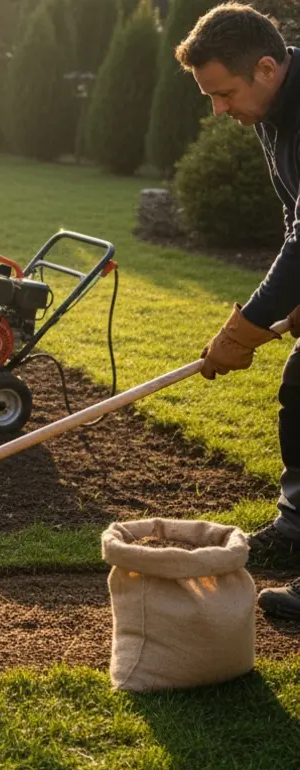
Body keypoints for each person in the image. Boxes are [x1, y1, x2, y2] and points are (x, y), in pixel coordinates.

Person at [179, 4, 300, 618]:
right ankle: (298, 525)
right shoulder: (273, 112)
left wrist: (244, 330)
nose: (218, 110)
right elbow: (293, 215)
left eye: (223, 93)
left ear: (266, 67)